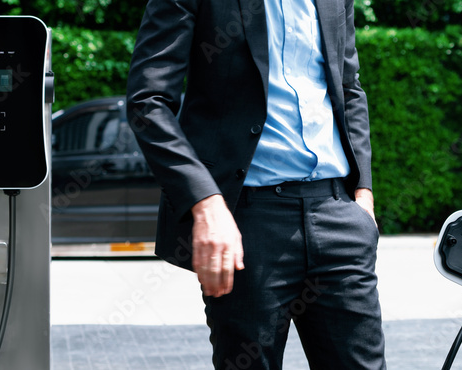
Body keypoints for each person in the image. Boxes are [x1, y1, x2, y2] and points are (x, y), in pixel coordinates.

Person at [125, 0, 385, 369]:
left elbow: (349, 86)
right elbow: (147, 103)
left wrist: (363, 195)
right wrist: (206, 202)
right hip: (247, 223)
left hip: (338, 215)